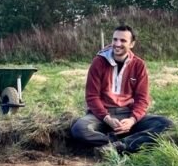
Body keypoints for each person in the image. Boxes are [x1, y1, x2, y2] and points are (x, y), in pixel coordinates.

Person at [70, 25, 172, 154]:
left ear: (132, 44)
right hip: (101, 115)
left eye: (123, 41)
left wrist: (132, 120)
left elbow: (142, 98)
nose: (117, 44)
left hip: (127, 114)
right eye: (115, 39)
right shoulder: (98, 62)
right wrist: (107, 118)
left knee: (165, 124)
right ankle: (114, 142)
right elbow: (92, 97)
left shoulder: (139, 65)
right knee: (79, 129)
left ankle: (122, 145)